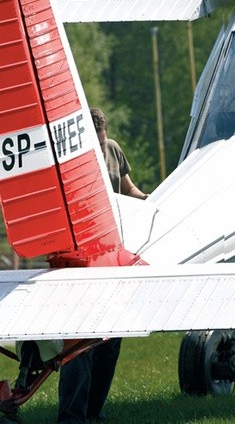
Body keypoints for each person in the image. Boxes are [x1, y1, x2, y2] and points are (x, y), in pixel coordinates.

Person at [58, 108, 149, 423]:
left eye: (102, 141)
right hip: (81, 260)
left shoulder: (112, 150)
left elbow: (128, 189)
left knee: (111, 338)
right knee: (82, 340)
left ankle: (94, 412)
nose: (100, 148)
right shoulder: (70, 161)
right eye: (94, 143)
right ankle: (72, 415)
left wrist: (150, 201)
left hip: (112, 255)